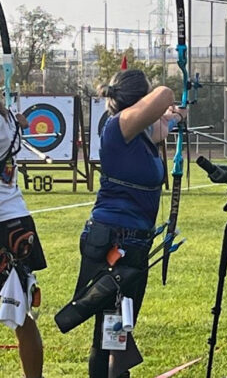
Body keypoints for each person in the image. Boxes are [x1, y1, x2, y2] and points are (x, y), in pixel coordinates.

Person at [71, 70, 185, 378]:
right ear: (140, 101)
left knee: (118, 327)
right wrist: (161, 101)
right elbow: (164, 95)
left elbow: (162, 125)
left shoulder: (137, 134)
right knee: (110, 329)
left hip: (130, 242)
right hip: (115, 242)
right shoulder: (118, 125)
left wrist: (176, 116)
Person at [1, 99, 46, 378]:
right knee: (22, 313)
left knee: (21, 312)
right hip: (15, 220)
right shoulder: (8, 119)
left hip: (6, 223)